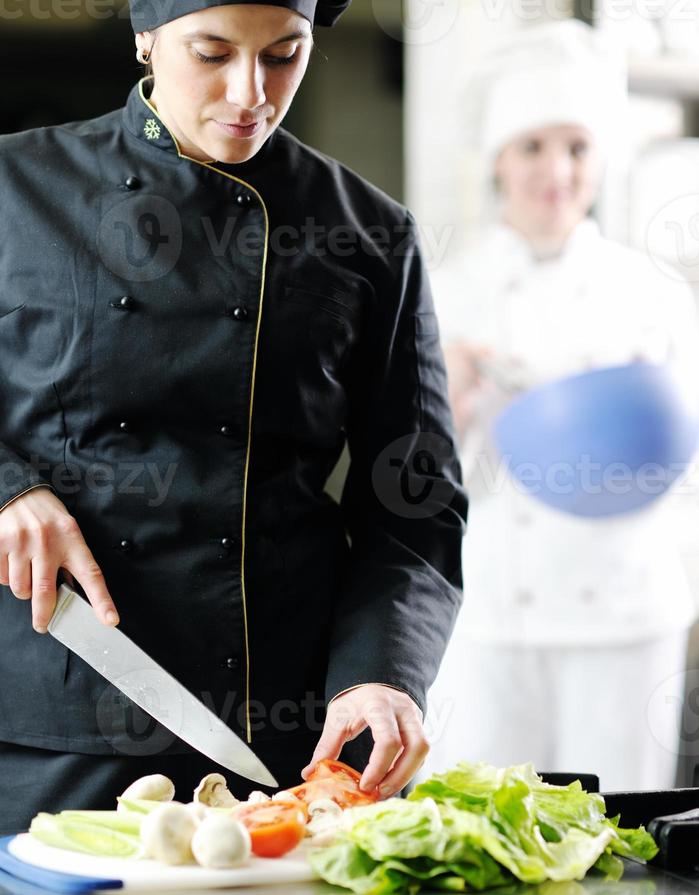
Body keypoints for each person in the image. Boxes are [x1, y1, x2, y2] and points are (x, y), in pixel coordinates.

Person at [0, 0, 467, 832]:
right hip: (51, 715)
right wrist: (7, 488)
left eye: (284, 56)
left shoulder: (366, 233)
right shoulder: (14, 187)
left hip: (277, 725)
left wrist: (381, 672)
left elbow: (413, 500)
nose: (249, 92)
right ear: (145, 36)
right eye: (211, 54)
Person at [420, 20, 699, 792]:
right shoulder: (447, 292)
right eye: (533, 146)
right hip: (490, 613)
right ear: (498, 160)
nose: (557, 171)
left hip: (624, 610)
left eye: (577, 148)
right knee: (483, 838)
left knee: (614, 844)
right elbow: (407, 484)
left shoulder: (652, 292)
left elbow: (688, 471)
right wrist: (453, 401)